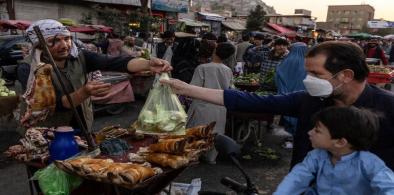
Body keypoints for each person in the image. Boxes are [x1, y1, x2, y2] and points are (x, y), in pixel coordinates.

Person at [160, 41, 394, 171]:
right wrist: (187, 89)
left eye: (316, 73)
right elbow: (250, 100)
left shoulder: (388, 107)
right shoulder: (309, 100)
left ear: (345, 75)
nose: (308, 79)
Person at [18, 19, 171, 131]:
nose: (64, 45)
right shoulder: (28, 68)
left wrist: (148, 63)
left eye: (66, 39)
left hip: (81, 125)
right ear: (39, 45)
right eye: (54, 41)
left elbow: (116, 62)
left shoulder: (80, 56)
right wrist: (85, 92)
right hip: (46, 131)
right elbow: (56, 104)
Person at [274, 107, 394, 195]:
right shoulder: (317, 156)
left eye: (317, 130)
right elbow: (297, 178)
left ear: (340, 142)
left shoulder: (369, 163)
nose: (309, 132)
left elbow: (389, 186)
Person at [187, 42, 235, 163]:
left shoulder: (202, 68)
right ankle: (210, 158)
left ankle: (194, 156)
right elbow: (231, 89)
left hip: (202, 106)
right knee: (215, 133)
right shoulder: (228, 70)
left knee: (197, 132)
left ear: (215, 51)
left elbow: (193, 89)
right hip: (220, 106)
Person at [275, 42, 308, 138]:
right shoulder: (308, 63)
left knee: (289, 113)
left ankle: (288, 137)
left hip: (287, 94)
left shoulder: (287, 60)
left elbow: (278, 75)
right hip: (302, 94)